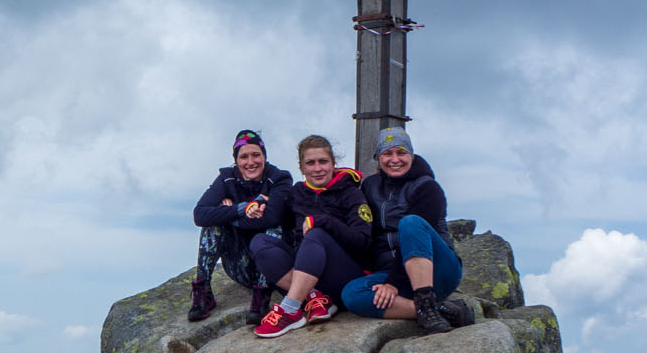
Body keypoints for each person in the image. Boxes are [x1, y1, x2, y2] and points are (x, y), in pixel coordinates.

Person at [338, 127, 474, 334]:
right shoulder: (369, 186)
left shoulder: (428, 187)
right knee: (352, 294)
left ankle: (426, 301)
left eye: (401, 152)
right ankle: (437, 311)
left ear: (411, 155)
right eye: (387, 153)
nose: (395, 159)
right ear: (378, 158)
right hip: (390, 272)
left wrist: (393, 283)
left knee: (410, 223)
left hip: (438, 270)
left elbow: (416, 233)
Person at [249, 134, 371, 337]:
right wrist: (259, 201)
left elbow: (363, 243)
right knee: (260, 242)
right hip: (308, 276)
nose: (317, 168)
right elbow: (277, 218)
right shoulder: (297, 193)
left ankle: (290, 310)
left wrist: (322, 221)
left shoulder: (351, 194)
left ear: (333, 163)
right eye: (310, 163)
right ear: (302, 168)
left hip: (345, 275)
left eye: (323, 161)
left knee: (316, 233)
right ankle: (315, 298)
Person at [190, 130, 294, 323]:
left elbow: (272, 216)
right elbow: (200, 215)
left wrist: (228, 216)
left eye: (256, 155)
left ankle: (261, 298)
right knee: (212, 227)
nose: (250, 162)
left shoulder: (280, 179)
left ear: (264, 156)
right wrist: (244, 208)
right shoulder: (226, 179)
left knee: (274, 229)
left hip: (272, 269)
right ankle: (203, 293)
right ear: (236, 160)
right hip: (239, 264)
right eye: (243, 156)